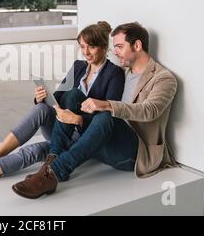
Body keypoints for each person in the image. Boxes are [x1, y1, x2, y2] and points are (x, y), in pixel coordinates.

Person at [0, 21, 125, 189]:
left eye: (90, 47)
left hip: (84, 135)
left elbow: (108, 117)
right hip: (61, 129)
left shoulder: (114, 73)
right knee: (42, 108)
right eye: (82, 47)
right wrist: (41, 97)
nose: (85, 52)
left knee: (34, 151)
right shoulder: (78, 66)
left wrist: (77, 119)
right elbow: (59, 97)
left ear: (103, 46)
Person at [12, 22, 178, 199]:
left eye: (120, 47)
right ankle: (50, 162)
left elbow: (150, 110)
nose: (115, 52)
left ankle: (54, 172)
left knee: (106, 116)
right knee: (74, 94)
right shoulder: (121, 72)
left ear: (137, 45)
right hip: (104, 137)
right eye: (114, 47)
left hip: (134, 150)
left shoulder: (163, 78)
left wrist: (106, 105)